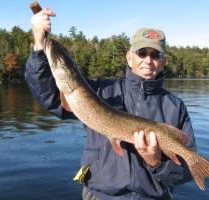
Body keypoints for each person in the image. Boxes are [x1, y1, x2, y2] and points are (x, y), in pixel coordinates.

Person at [26, 8, 196, 200]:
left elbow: (183, 174)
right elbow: (47, 95)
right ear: (129, 57)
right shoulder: (100, 90)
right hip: (100, 195)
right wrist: (39, 45)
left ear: (163, 61)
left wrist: (156, 162)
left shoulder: (175, 106)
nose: (148, 60)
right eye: (142, 52)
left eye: (155, 55)